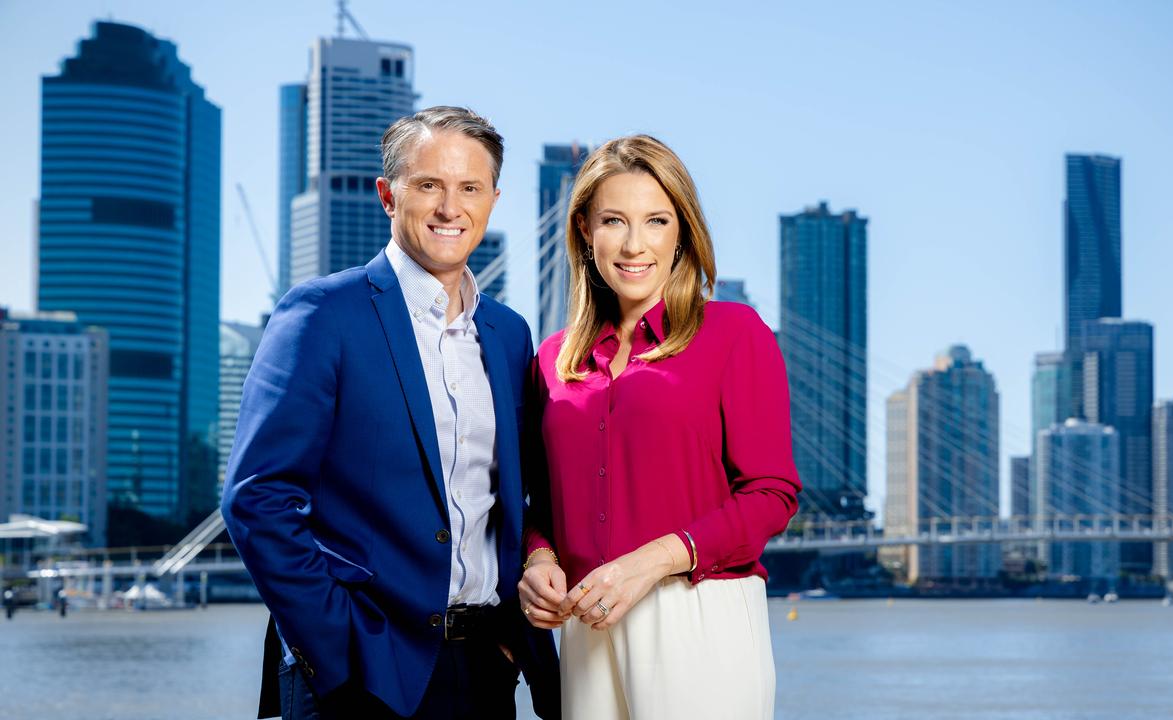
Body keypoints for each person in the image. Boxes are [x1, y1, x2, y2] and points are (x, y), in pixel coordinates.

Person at [223, 106, 559, 720]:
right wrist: (337, 648)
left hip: (486, 669)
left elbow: (518, 497)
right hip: (363, 674)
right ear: (387, 195)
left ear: (493, 200)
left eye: (470, 188)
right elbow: (257, 499)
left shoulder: (509, 335)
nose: (449, 208)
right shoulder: (324, 315)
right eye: (429, 185)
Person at [518, 135, 801, 719]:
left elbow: (772, 494)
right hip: (586, 625)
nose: (634, 244)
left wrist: (654, 560)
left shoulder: (733, 333)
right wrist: (539, 560)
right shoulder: (552, 361)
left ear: (682, 233)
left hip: (697, 616)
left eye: (656, 220)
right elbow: (540, 503)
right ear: (583, 232)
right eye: (614, 221)